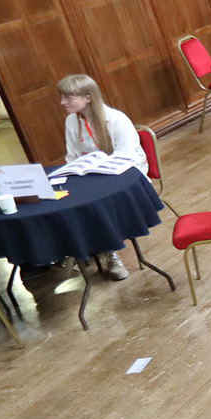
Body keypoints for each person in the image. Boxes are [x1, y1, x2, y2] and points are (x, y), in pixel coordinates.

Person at [56, 73, 141, 279]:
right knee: (65, 198)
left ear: (88, 98)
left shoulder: (117, 119)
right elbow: (72, 156)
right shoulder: (71, 121)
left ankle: (112, 254)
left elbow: (127, 158)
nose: (62, 103)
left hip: (125, 176)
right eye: (62, 97)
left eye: (69, 98)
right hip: (92, 174)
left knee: (96, 203)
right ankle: (76, 249)